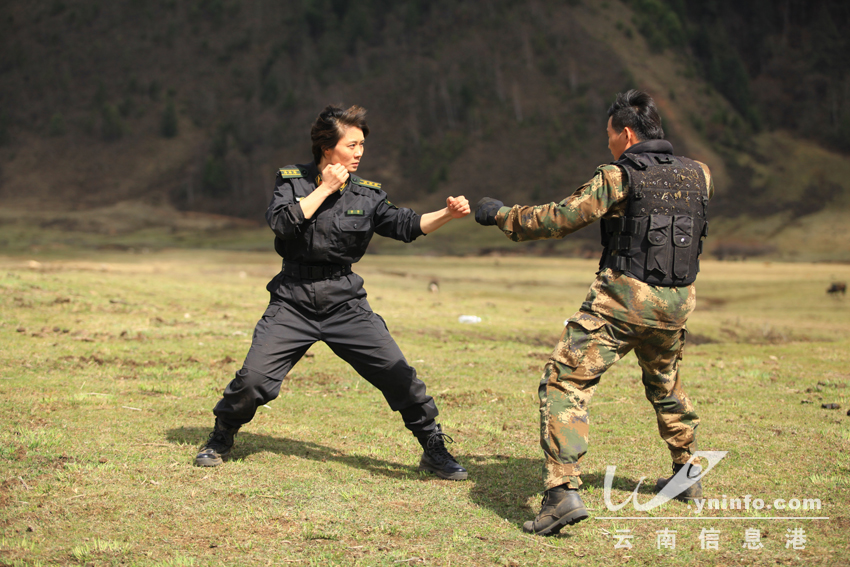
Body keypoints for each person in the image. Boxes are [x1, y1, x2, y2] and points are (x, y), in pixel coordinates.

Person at [475, 90, 713, 535]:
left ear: (626, 133)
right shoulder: (700, 174)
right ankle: (687, 470)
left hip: (622, 302)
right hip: (677, 304)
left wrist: (499, 215)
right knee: (665, 384)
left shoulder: (619, 175)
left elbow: (558, 218)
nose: (608, 145)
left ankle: (562, 491)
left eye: (610, 137)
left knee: (565, 380)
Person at [195, 104, 471, 481]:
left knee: (399, 373)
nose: (359, 153)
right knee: (254, 380)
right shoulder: (291, 182)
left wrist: (446, 214)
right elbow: (281, 223)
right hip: (293, 299)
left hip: (344, 300)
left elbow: (405, 225)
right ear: (328, 147)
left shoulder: (367, 194)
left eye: (362, 146)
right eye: (352, 145)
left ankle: (433, 448)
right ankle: (221, 436)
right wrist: (325, 189)